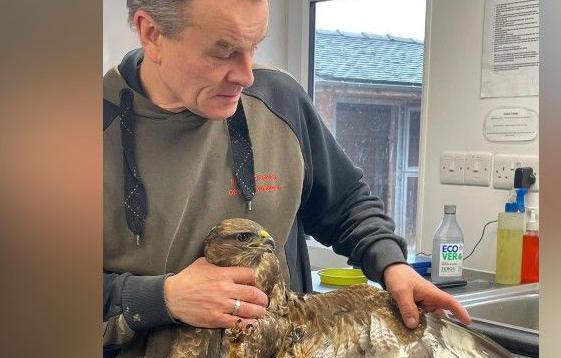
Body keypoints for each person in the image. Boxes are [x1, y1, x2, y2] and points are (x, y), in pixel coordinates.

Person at [103, 0, 471, 356]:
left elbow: (347, 204)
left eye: (254, 46)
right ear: (151, 34)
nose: (246, 76)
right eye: (223, 52)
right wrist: (163, 298)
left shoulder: (281, 100)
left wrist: (393, 265)